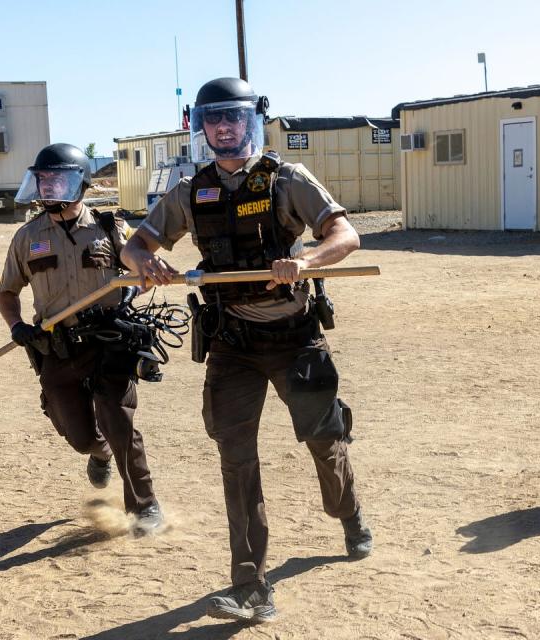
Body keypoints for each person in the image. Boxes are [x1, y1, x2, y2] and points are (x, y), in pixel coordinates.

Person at [121, 77, 373, 624]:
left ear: (252, 120)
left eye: (233, 117)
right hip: (232, 343)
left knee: (324, 443)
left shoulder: (287, 180)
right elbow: (134, 244)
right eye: (214, 119)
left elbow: (345, 235)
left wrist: (306, 262)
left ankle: (348, 512)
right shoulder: (191, 191)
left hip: (294, 339)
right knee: (236, 462)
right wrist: (147, 264)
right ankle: (252, 585)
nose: (224, 127)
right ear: (201, 126)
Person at [0, 143, 163, 537]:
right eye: (43, 180)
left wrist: (135, 284)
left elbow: (137, 268)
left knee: (118, 420)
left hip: (109, 340)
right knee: (79, 435)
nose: (49, 188)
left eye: (58, 180)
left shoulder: (110, 228)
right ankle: (98, 451)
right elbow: (7, 292)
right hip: (58, 346)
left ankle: (144, 505)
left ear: (81, 184)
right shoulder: (27, 237)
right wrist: (17, 326)